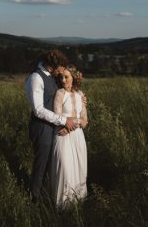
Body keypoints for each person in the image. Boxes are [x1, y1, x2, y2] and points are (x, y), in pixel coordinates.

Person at [25, 50, 78, 203]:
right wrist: (64, 121)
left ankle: (47, 194)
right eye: (59, 70)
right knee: (41, 163)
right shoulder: (36, 78)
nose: (61, 73)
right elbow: (38, 110)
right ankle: (34, 199)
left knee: (51, 163)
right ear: (51, 67)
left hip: (52, 126)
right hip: (41, 127)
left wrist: (80, 99)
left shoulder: (51, 76)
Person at [50, 64, 88, 208]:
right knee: (64, 169)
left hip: (77, 136)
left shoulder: (81, 95)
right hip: (62, 136)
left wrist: (73, 125)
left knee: (79, 168)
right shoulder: (59, 93)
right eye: (61, 77)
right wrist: (68, 125)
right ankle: (61, 206)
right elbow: (57, 116)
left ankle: (78, 202)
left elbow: (85, 121)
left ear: (74, 77)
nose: (63, 80)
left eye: (66, 77)